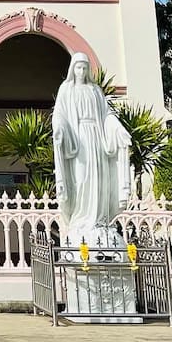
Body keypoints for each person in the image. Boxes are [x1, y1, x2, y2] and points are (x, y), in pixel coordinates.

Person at [52, 52, 131, 246]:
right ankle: (80, 221)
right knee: (81, 179)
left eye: (84, 68)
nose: (81, 71)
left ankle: (99, 221)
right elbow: (59, 114)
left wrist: (119, 129)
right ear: (73, 69)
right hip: (78, 140)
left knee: (99, 180)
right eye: (78, 67)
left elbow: (107, 115)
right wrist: (59, 128)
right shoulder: (66, 89)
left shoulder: (95, 90)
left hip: (97, 139)